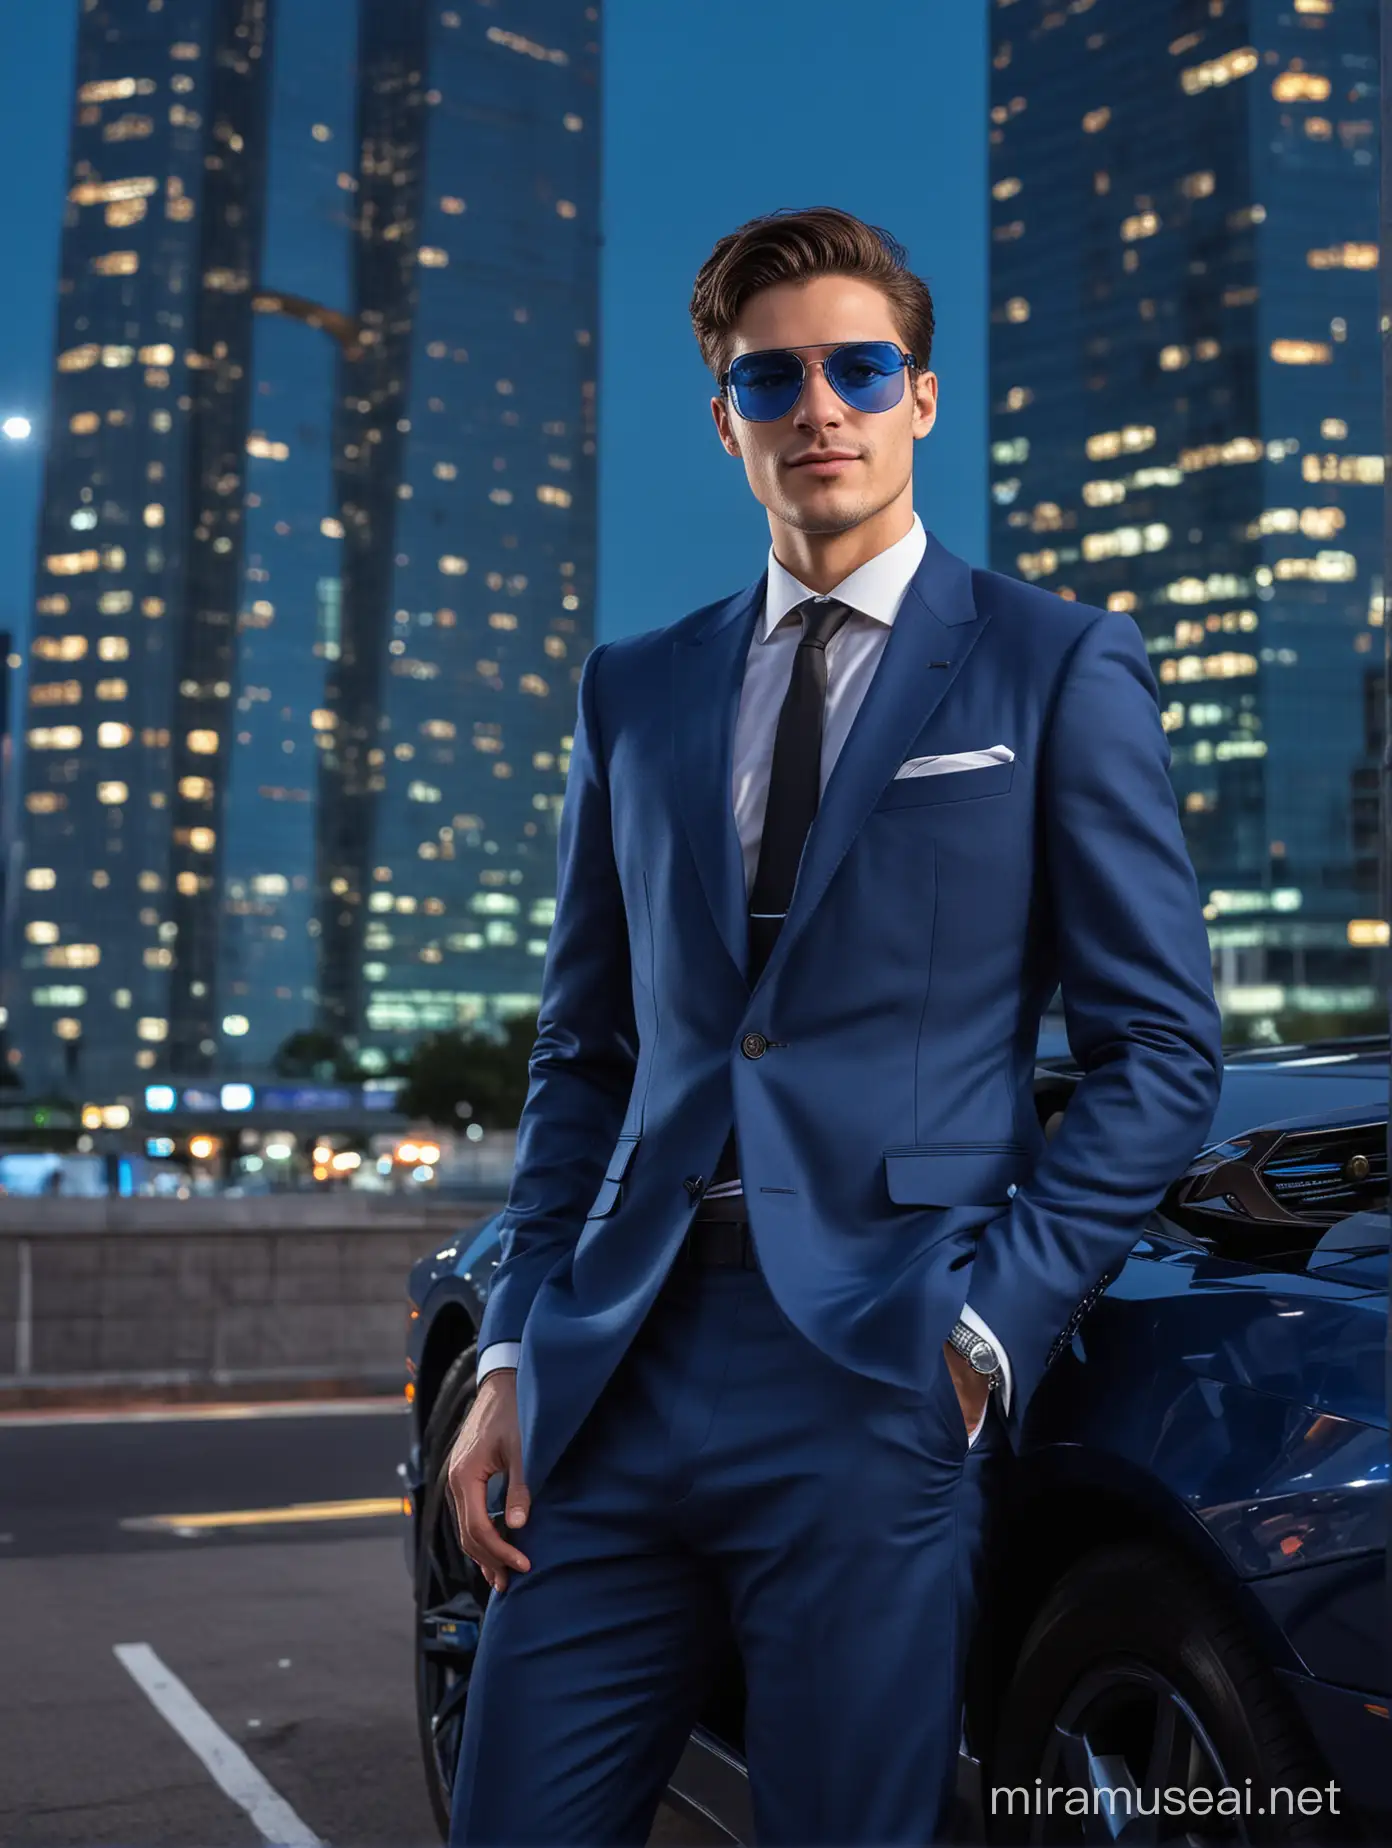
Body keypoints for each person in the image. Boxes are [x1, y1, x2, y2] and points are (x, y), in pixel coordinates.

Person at [444, 205, 1224, 1845]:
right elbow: (587, 1058)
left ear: (921, 398)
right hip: (620, 1367)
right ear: (722, 415)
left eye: (859, 366)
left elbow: (1161, 1055)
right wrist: (516, 1339)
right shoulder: (633, 690)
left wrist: (985, 1328)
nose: (821, 406)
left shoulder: (1054, 665)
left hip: (879, 1370)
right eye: (771, 377)